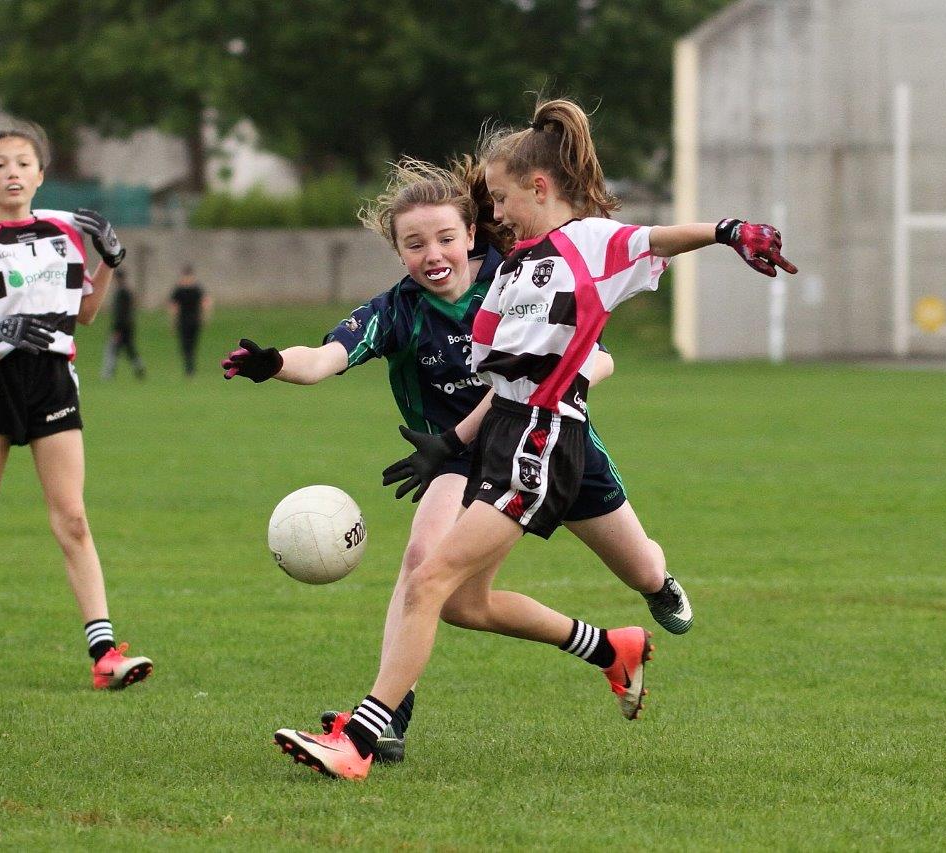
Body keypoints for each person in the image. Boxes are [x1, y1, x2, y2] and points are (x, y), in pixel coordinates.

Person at [268, 98, 797, 779]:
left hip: (543, 444)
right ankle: (612, 649)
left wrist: (728, 230)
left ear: (539, 189)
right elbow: (504, 384)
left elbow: (654, 239)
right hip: (506, 442)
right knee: (451, 595)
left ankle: (364, 739)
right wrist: (450, 443)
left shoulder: (583, 241)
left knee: (433, 577)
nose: (496, 215)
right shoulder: (513, 268)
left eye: (503, 200)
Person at [225, 155, 691, 765]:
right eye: (414, 244)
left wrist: (556, 383)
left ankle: (625, 633)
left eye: (446, 237)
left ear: (472, 233)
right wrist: (276, 364)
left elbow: (598, 358)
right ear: (399, 253)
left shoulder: (524, 275)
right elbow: (323, 358)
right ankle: (385, 721)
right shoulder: (397, 311)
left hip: (549, 445)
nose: (433, 254)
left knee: (641, 569)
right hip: (453, 458)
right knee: (428, 572)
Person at [0, 127, 152, 691]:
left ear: (41, 174)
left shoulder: (64, 231)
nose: (12, 172)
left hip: (52, 380)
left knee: (73, 519)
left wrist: (111, 261)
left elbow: (87, 314)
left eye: (23, 162)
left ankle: (104, 655)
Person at [101, 267, 146, 379]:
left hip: (121, 327)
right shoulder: (127, 292)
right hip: (129, 325)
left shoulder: (121, 293)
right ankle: (139, 366)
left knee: (111, 349)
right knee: (129, 348)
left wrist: (117, 329)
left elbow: (120, 313)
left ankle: (108, 373)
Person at [168, 265, 211, 376]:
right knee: (192, 344)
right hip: (195, 319)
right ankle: (191, 367)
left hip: (184, 320)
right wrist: (205, 316)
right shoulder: (197, 288)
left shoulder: (179, 289)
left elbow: (174, 307)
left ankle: (189, 367)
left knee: (185, 344)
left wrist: (173, 321)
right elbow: (206, 302)